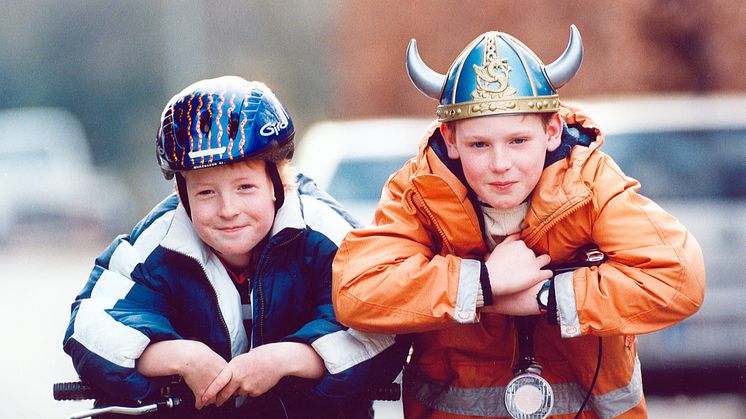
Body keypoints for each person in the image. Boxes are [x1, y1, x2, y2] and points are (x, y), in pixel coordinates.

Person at [332, 26, 705, 418]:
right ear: (451, 138)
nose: (500, 164)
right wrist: (482, 283)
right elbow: (357, 290)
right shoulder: (418, 191)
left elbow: (679, 276)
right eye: (479, 144)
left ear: (552, 130)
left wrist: (548, 297)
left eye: (518, 141)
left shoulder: (590, 184)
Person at [63, 76, 406, 419]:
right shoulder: (156, 243)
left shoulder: (330, 235)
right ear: (181, 194)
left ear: (277, 181)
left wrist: (285, 359)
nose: (228, 209)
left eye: (245, 187)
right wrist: (182, 357)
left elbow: (384, 326)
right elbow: (90, 326)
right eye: (206, 193)